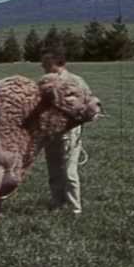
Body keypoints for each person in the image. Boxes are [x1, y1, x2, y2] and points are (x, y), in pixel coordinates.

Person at [40, 47, 92, 215]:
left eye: (46, 62)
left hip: (69, 133)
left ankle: (75, 209)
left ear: (56, 62)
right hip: (50, 133)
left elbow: (89, 102)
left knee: (69, 172)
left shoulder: (76, 81)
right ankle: (57, 204)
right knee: (54, 170)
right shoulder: (45, 81)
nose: (43, 66)